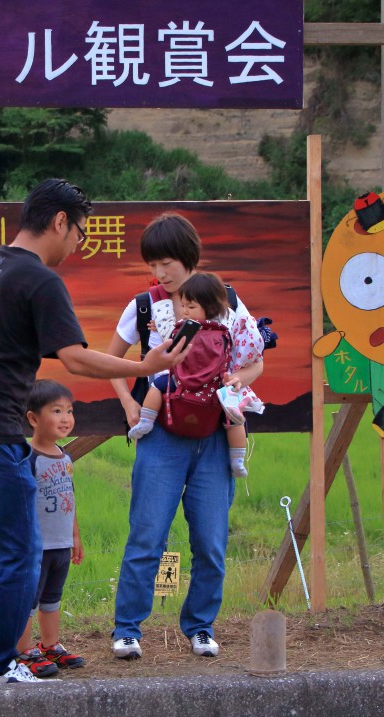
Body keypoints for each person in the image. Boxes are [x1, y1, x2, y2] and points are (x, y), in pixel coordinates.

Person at [0, 180, 191, 686]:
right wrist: (145, 362)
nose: (78, 246)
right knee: (21, 554)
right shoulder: (40, 280)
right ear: (59, 222)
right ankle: (2, 665)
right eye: (78, 234)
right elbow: (73, 357)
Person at [106, 213, 264, 661]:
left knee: (211, 542)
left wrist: (235, 380)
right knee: (147, 535)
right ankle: (127, 629)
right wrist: (130, 403)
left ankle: (200, 626)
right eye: (153, 264)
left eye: (168, 262)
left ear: (190, 257)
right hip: (162, 436)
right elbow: (112, 360)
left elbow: (256, 360)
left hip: (214, 434)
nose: (161, 273)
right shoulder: (143, 304)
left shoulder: (226, 299)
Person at [127, 271, 265, 478]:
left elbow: (174, 348)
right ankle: (237, 458)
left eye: (190, 307)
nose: (184, 311)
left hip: (186, 381)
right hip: (216, 387)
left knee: (157, 386)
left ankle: (147, 420)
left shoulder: (190, 329)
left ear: (210, 308)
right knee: (235, 418)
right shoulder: (222, 331)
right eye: (183, 306)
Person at [14, 379, 86, 678]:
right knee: (29, 599)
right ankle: (22, 650)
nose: (66, 418)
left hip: (60, 543)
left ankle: (49, 644)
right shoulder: (28, 458)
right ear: (33, 418)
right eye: (56, 411)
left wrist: (75, 536)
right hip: (36, 545)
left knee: (52, 597)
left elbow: (69, 496)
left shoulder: (65, 456)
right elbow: (18, 503)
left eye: (69, 411)